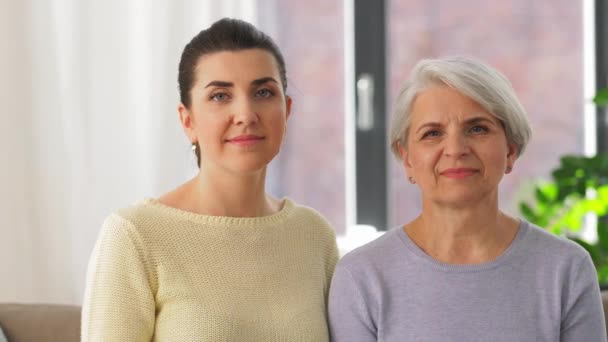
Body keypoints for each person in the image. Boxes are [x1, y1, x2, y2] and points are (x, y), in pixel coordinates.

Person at [81, 18, 339, 341]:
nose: (245, 114)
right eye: (220, 96)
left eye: (263, 92)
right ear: (187, 120)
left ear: (286, 110)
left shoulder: (314, 236)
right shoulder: (135, 237)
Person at [328, 56, 607, 341]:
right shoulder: (362, 276)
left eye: (477, 129)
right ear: (407, 159)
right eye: (432, 133)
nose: (456, 149)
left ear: (510, 150)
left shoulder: (566, 268)